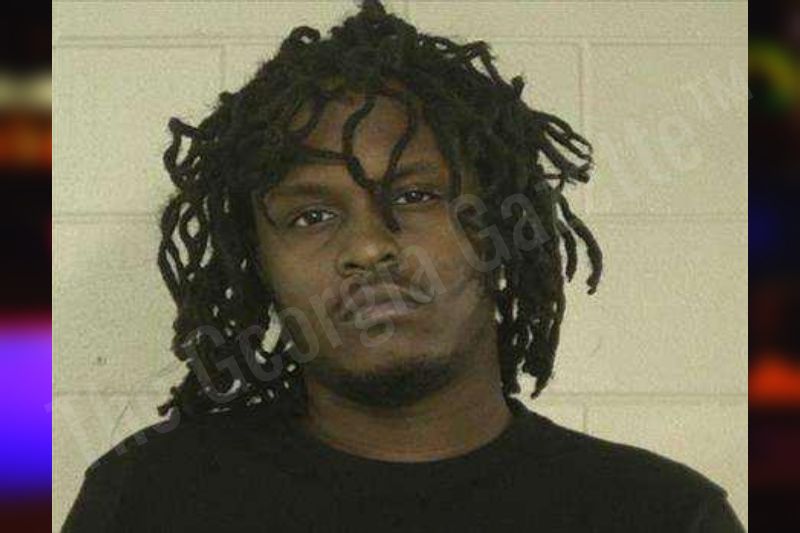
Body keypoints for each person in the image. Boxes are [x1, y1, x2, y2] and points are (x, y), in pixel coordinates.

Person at [62, 1, 745, 531]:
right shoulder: (151, 499)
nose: (368, 247)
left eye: (416, 196)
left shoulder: (659, 515)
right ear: (257, 263)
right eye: (311, 215)